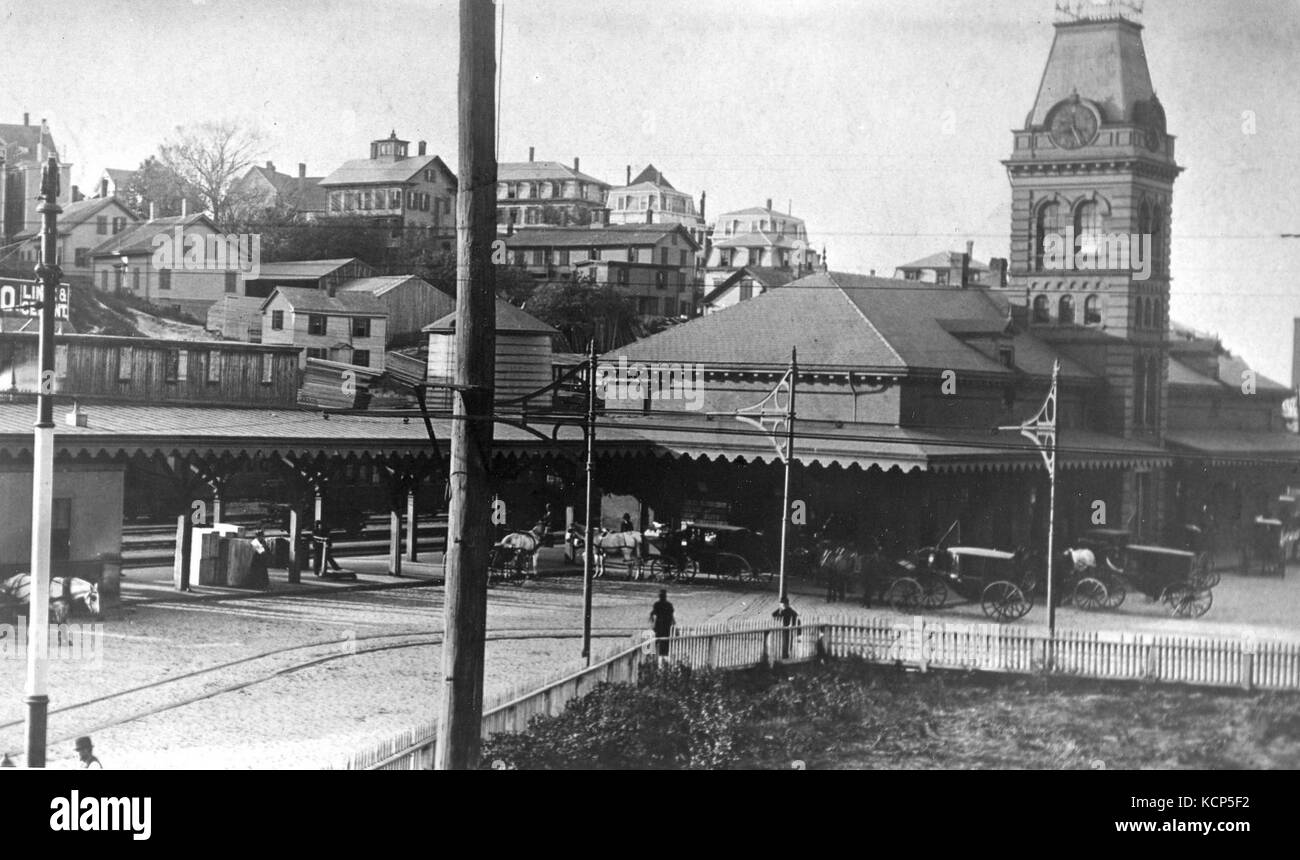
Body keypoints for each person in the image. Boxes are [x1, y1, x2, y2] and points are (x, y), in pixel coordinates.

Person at [771, 594, 800, 661]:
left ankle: (785, 656)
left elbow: (797, 621)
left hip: (788, 630)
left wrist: (798, 633)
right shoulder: (781, 610)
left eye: (783, 604)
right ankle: (783, 655)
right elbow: (773, 614)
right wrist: (779, 611)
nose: (782, 605)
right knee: (781, 644)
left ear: (787, 604)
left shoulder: (790, 611)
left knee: (786, 644)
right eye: (781, 604)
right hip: (781, 630)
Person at [650, 589, 675, 662]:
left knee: (661, 638)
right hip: (663, 624)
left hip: (663, 624)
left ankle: (661, 653)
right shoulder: (665, 604)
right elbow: (671, 615)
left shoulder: (659, 604)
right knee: (662, 638)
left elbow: (652, 614)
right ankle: (662, 653)